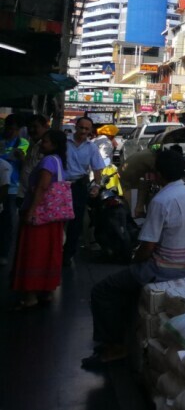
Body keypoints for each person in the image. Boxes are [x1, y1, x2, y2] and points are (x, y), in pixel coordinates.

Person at [83, 148, 185, 369]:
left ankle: (113, 347)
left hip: (164, 270)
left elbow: (147, 247)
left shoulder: (161, 200)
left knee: (102, 290)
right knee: (127, 285)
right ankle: (126, 336)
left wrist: (134, 260)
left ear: (157, 173)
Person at [9, 129, 68, 309]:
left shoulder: (48, 161)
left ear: (54, 145)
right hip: (52, 217)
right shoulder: (59, 161)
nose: (42, 144)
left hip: (40, 216)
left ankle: (31, 295)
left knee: (33, 253)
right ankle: (46, 291)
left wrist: (31, 211)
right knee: (49, 252)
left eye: (46, 142)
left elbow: (42, 187)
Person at [64, 116, 106, 265]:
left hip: (79, 186)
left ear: (90, 131)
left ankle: (67, 255)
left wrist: (96, 186)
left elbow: (97, 168)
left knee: (76, 222)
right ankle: (54, 251)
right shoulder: (64, 142)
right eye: (81, 127)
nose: (83, 131)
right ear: (76, 127)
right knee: (57, 220)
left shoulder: (92, 147)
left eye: (86, 129)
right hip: (61, 186)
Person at [1, 114, 29, 264]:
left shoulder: (22, 142)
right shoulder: (1, 139)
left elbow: (23, 162)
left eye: (15, 129)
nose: (11, 132)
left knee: (8, 221)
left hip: (12, 187)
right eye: (9, 128)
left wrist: (21, 157)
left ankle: (4, 253)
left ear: (19, 130)